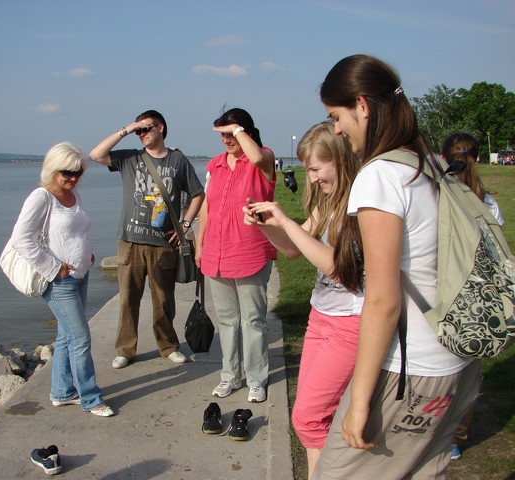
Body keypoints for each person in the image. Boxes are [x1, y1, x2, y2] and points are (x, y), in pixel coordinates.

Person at [311, 54, 482, 479]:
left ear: (362, 106)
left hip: (412, 369)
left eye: (336, 116)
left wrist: (360, 401)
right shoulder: (428, 163)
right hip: (457, 359)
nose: (337, 129)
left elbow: (383, 301)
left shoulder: (381, 176)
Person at [244, 122, 363, 478]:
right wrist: (265, 225)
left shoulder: (359, 205)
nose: (310, 178)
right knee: (314, 419)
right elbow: (294, 249)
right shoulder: (329, 202)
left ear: (340, 160)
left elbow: (339, 269)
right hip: (321, 316)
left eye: (315, 169)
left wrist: (284, 219)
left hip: (350, 323)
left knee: (309, 417)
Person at [89, 110, 204, 369]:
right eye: (138, 131)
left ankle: (168, 346)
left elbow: (198, 194)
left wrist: (185, 224)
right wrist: (127, 129)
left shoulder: (178, 160)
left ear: (160, 128)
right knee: (128, 299)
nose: (141, 134)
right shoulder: (130, 158)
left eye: (146, 129)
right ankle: (125, 350)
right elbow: (96, 155)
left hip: (163, 244)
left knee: (164, 300)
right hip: (130, 242)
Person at [8, 142, 113, 417]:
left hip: (80, 274)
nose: (73, 178)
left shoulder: (73, 194)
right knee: (80, 338)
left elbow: (76, 231)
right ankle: (91, 399)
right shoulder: (41, 197)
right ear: (53, 169)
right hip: (59, 282)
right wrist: (53, 268)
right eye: (67, 172)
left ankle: (62, 392)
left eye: (78, 172)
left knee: (67, 336)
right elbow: (21, 239)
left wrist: (88, 253)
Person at [195, 107, 277, 403]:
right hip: (217, 252)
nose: (226, 140)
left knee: (253, 320)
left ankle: (256, 378)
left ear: (246, 132)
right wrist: (200, 244)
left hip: (250, 251)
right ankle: (230, 375)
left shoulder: (263, 158)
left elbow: (255, 157)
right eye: (223, 134)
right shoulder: (215, 165)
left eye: (230, 133)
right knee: (227, 320)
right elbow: (207, 206)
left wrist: (238, 130)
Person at [441, 132, 504, 460]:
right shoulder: (488, 201)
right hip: (480, 297)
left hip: (447, 292)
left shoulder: (441, 194)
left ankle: (435, 433)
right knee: (469, 372)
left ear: (443, 158)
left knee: (441, 370)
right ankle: (456, 437)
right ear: (476, 157)